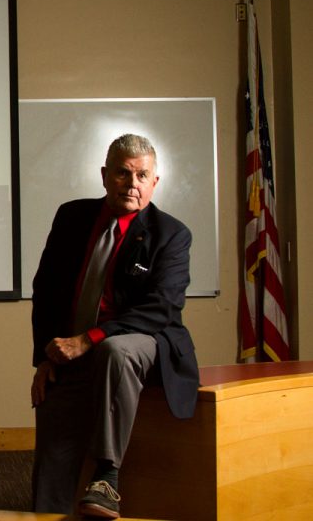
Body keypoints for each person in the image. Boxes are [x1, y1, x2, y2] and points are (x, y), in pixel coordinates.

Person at [30, 133, 199, 518]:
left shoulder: (172, 234)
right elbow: (47, 292)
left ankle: (107, 476)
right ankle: (46, 511)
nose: (132, 184)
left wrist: (88, 339)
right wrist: (45, 357)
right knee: (52, 451)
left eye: (142, 176)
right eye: (123, 173)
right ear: (105, 175)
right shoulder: (71, 217)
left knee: (114, 349)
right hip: (74, 346)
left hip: (142, 344)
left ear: (155, 182)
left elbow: (162, 308)